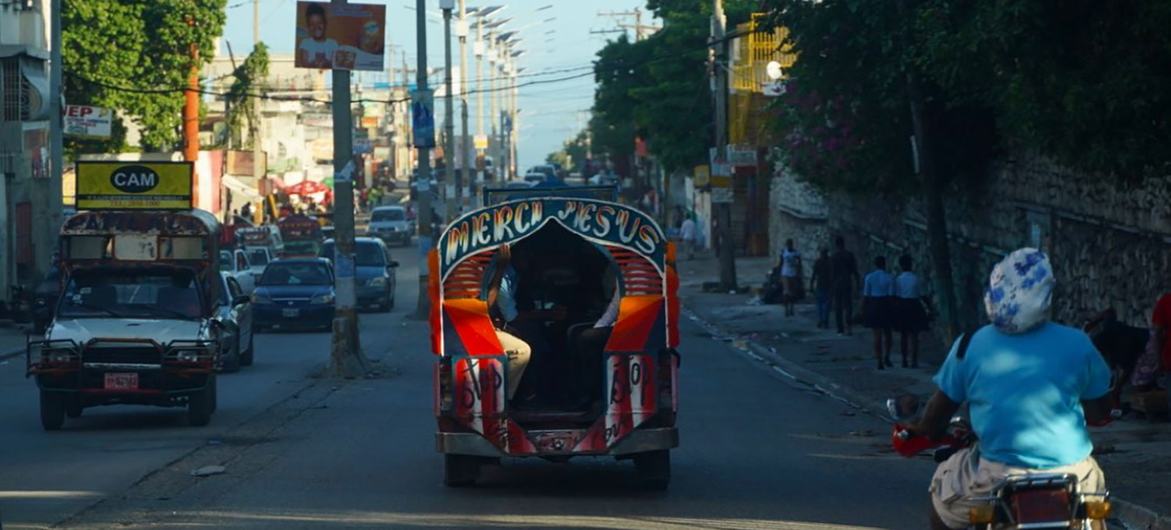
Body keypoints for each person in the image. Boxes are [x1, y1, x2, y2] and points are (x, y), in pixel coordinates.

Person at [906, 248, 1112, 530]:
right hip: (1072, 472)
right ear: (1046, 296)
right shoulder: (1078, 343)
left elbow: (933, 422)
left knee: (940, 504)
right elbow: (1100, 411)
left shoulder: (969, 346)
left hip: (997, 474)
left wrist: (920, 429)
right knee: (1095, 514)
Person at [482, 244, 534, 402]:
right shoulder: (501, 274)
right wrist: (500, 269)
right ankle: (502, 400)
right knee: (522, 351)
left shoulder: (514, 274)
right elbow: (488, 305)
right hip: (481, 327)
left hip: (496, 324)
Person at [894, 255, 930, 368]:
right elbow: (923, 295)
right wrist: (930, 308)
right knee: (914, 335)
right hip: (914, 306)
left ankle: (904, 360)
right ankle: (914, 360)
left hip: (902, 306)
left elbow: (896, 296)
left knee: (904, 335)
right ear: (911, 265)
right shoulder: (916, 279)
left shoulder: (898, 280)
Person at [862, 256, 895, 369]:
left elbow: (866, 296)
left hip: (874, 304)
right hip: (885, 303)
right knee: (888, 334)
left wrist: (864, 309)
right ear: (884, 264)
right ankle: (887, 356)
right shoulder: (889, 277)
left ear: (875, 264)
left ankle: (879, 359)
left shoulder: (869, 277)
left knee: (877, 335)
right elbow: (891, 295)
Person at [830, 236, 860, 335]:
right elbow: (854, 271)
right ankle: (849, 327)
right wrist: (857, 282)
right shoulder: (849, 255)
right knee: (848, 306)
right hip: (847, 281)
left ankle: (840, 329)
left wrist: (832, 285)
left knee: (838, 306)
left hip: (837, 283)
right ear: (843, 244)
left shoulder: (834, 257)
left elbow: (833, 272)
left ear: (836, 245)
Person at [297, 3, 338, 69]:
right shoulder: (305, 43)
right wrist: (313, 64)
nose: (316, 27)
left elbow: (336, 64)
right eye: (312, 24)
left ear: (325, 24)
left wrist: (326, 63)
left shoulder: (333, 44)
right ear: (308, 26)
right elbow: (304, 65)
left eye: (319, 23)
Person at [809, 247, 832, 329]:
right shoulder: (830, 262)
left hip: (821, 285)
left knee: (820, 304)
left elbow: (814, 274)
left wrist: (811, 285)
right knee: (826, 304)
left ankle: (821, 319)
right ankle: (824, 320)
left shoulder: (818, 262)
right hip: (827, 285)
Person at [780, 239, 802, 317]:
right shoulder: (784, 252)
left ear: (792, 244)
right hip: (785, 273)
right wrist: (780, 274)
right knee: (786, 292)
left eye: (790, 244)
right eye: (787, 244)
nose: (789, 246)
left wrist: (799, 273)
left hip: (793, 273)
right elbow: (781, 263)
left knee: (792, 292)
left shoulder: (796, 253)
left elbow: (800, 264)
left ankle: (791, 308)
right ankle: (786, 310)